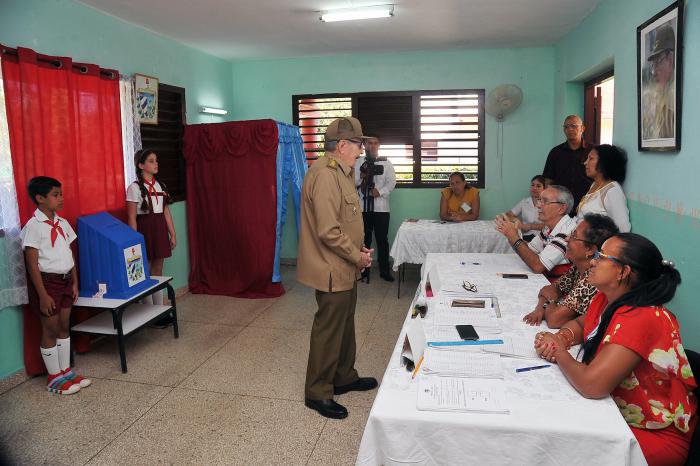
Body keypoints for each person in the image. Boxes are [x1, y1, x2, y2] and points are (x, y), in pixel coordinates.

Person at [534, 233, 696, 466]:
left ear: (623, 272)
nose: (592, 261)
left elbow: (592, 385)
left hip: (649, 434)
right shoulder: (607, 298)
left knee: (558, 448)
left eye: (601, 257)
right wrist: (562, 337)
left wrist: (559, 352)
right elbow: (582, 324)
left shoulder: (642, 316)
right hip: (617, 415)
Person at [297, 117, 378, 419]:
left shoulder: (342, 172)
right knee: (328, 329)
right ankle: (317, 392)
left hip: (345, 264)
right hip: (332, 267)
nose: (362, 149)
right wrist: (357, 256)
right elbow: (328, 231)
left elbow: (345, 221)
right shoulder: (325, 175)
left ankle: (344, 376)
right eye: (358, 144)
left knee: (345, 324)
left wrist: (359, 251)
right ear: (342, 145)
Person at [21, 176, 91, 395]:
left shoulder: (62, 222)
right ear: (40, 198)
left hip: (65, 281)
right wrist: (42, 295)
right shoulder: (33, 227)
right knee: (50, 329)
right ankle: (53, 378)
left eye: (61, 194)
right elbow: (31, 263)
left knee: (63, 325)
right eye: (55, 195)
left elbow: (68, 253)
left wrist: (75, 281)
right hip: (47, 283)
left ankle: (65, 371)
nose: (61, 199)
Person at [522, 213, 618, 328]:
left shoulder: (593, 278)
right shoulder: (578, 267)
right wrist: (540, 309)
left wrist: (550, 301)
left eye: (574, 236)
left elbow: (554, 320)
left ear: (590, 250)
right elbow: (551, 288)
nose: (567, 239)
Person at [126, 149, 176, 308]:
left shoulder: (161, 185)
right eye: (151, 161)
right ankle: (148, 310)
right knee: (144, 271)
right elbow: (132, 217)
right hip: (144, 230)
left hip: (160, 228)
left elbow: (166, 211)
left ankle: (159, 308)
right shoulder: (134, 188)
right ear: (141, 165)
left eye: (156, 160)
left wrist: (172, 234)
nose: (156, 164)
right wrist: (135, 240)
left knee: (158, 269)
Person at [495, 185, 577, 277]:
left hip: (557, 285)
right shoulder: (548, 228)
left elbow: (538, 266)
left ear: (561, 208)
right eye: (539, 200)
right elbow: (530, 250)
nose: (538, 205)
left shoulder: (567, 232)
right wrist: (511, 234)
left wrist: (514, 237)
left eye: (545, 201)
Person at [354, 135, 397, 282]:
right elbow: (353, 181)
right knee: (363, 240)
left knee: (382, 240)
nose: (372, 146)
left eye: (375, 143)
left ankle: (385, 271)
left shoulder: (386, 163)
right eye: (369, 143)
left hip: (381, 208)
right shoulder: (358, 162)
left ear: (379, 145)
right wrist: (362, 175)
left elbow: (391, 183)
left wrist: (380, 192)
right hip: (362, 207)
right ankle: (363, 270)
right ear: (365, 145)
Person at [577, 144, 631, 232]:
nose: (585, 162)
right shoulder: (594, 184)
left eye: (591, 159)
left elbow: (623, 229)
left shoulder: (612, 191)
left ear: (603, 163)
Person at [543, 115, 592, 210]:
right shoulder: (555, 152)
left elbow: (600, 177)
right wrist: (548, 201)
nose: (569, 129)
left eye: (573, 126)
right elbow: (548, 180)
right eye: (566, 127)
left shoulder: (593, 151)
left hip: (587, 203)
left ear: (582, 128)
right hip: (561, 205)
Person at [642, 23, 676, 140]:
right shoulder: (660, 94)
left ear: (670, 59)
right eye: (653, 65)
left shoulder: (674, 98)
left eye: (658, 63)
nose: (654, 72)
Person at [504, 175, 545, 241]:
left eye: (538, 186)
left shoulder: (548, 204)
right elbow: (508, 214)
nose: (534, 188)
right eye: (532, 185)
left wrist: (529, 226)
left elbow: (550, 225)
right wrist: (516, 220)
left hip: (542, 237)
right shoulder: (524, 202)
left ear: (544, 189)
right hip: (525, 236)